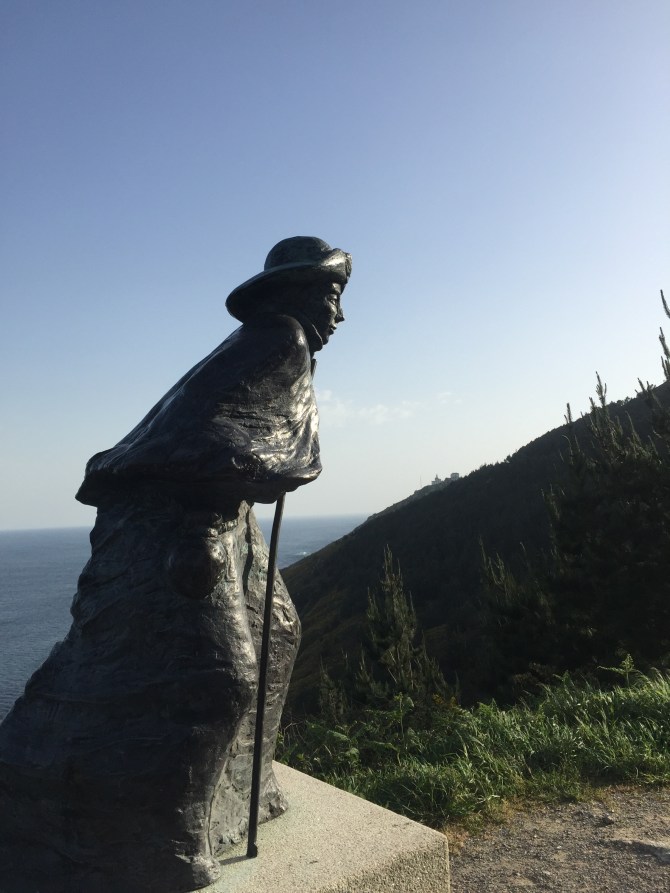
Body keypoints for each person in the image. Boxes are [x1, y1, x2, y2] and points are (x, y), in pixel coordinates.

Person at [0, 237, 352, 893]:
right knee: (218, 676)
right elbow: (202, 436)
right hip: (181, 518)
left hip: (219, 511)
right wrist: (243, 484)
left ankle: (245, 791)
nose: (340, 315)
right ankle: (162, 842)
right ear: (297, 293)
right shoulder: (280, 339)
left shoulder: (270, 342)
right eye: (332, 296)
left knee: (277, 631)